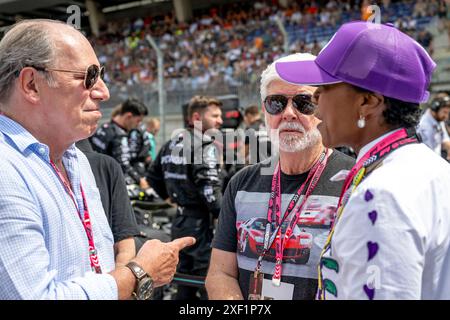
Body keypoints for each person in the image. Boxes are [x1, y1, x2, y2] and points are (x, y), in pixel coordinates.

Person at [0, 19, 194, 300]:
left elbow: (97, 266)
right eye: (88, 76)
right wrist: (139, 272)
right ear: (32, 84)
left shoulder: (75, 159)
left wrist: (132, 281)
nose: (104, 92)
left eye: (101, 75)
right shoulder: (6, 169)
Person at [275, 21, 450, 299]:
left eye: (325, 87)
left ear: (367, 103)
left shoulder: (383, 194)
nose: (315, 99)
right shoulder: (428, 166)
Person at [206, 53, 355, 300]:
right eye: (276, 103)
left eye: (303, 102)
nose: (288, 113)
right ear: (265, 111)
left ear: (325, 107)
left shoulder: (354, 182)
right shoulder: (242, 183)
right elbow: (220, 273)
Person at [147, 95, 224, 300]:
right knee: (210, 283)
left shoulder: (171, 143)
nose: (220, 120)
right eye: (215, 115)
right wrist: (228, 219)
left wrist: (173, 197)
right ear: (197, 117)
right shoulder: (204, 146)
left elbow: (152, 176)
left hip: (180, 222)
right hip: (202, 227)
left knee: (183, 281)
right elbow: (211, 191)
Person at [76, 139, 139, 267]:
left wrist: (122, 281)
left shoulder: (104, 165)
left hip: (105, 278)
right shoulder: (105, 164)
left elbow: (124, 239)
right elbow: (125, 241)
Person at [90, 98, 150, 189]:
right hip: (106, 183)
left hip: (94, 176)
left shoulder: (104, 128)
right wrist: (140, 180)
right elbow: (123, 162)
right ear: (128, 116)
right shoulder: (119, 135)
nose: (139, 124)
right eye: (138, 120)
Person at [417, 93, 450, 160]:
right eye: (444, 112)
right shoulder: (423, 126)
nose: (446, 117)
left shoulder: (439, 120)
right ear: (435, 108)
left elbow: (444, 139)